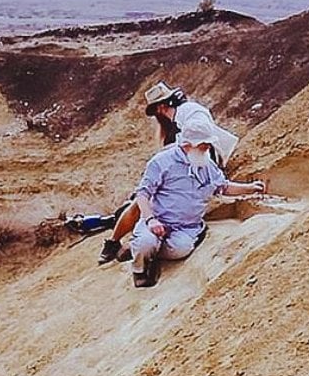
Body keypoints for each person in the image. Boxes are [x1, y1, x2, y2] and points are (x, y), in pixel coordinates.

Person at [98, 81, 241, 264]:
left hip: (200, 174)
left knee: (138, 203)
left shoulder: (190, 115)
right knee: (144, 200)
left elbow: (200, 142)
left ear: (161, 107)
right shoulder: (183, 118)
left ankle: (115, 243)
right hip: (197, 171)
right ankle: (128, 244)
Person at [129, 110, 265, 287]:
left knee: (181, 249)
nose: (207, 148)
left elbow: (222, 187)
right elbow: (143, 194)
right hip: (158, 220)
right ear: (188, 145)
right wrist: (151, 220)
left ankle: (148, 250)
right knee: (145, 243)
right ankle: (139, 266)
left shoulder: (206, 164)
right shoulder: (161, 162)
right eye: (204, 145)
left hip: (186, 227)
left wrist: (250, 188)